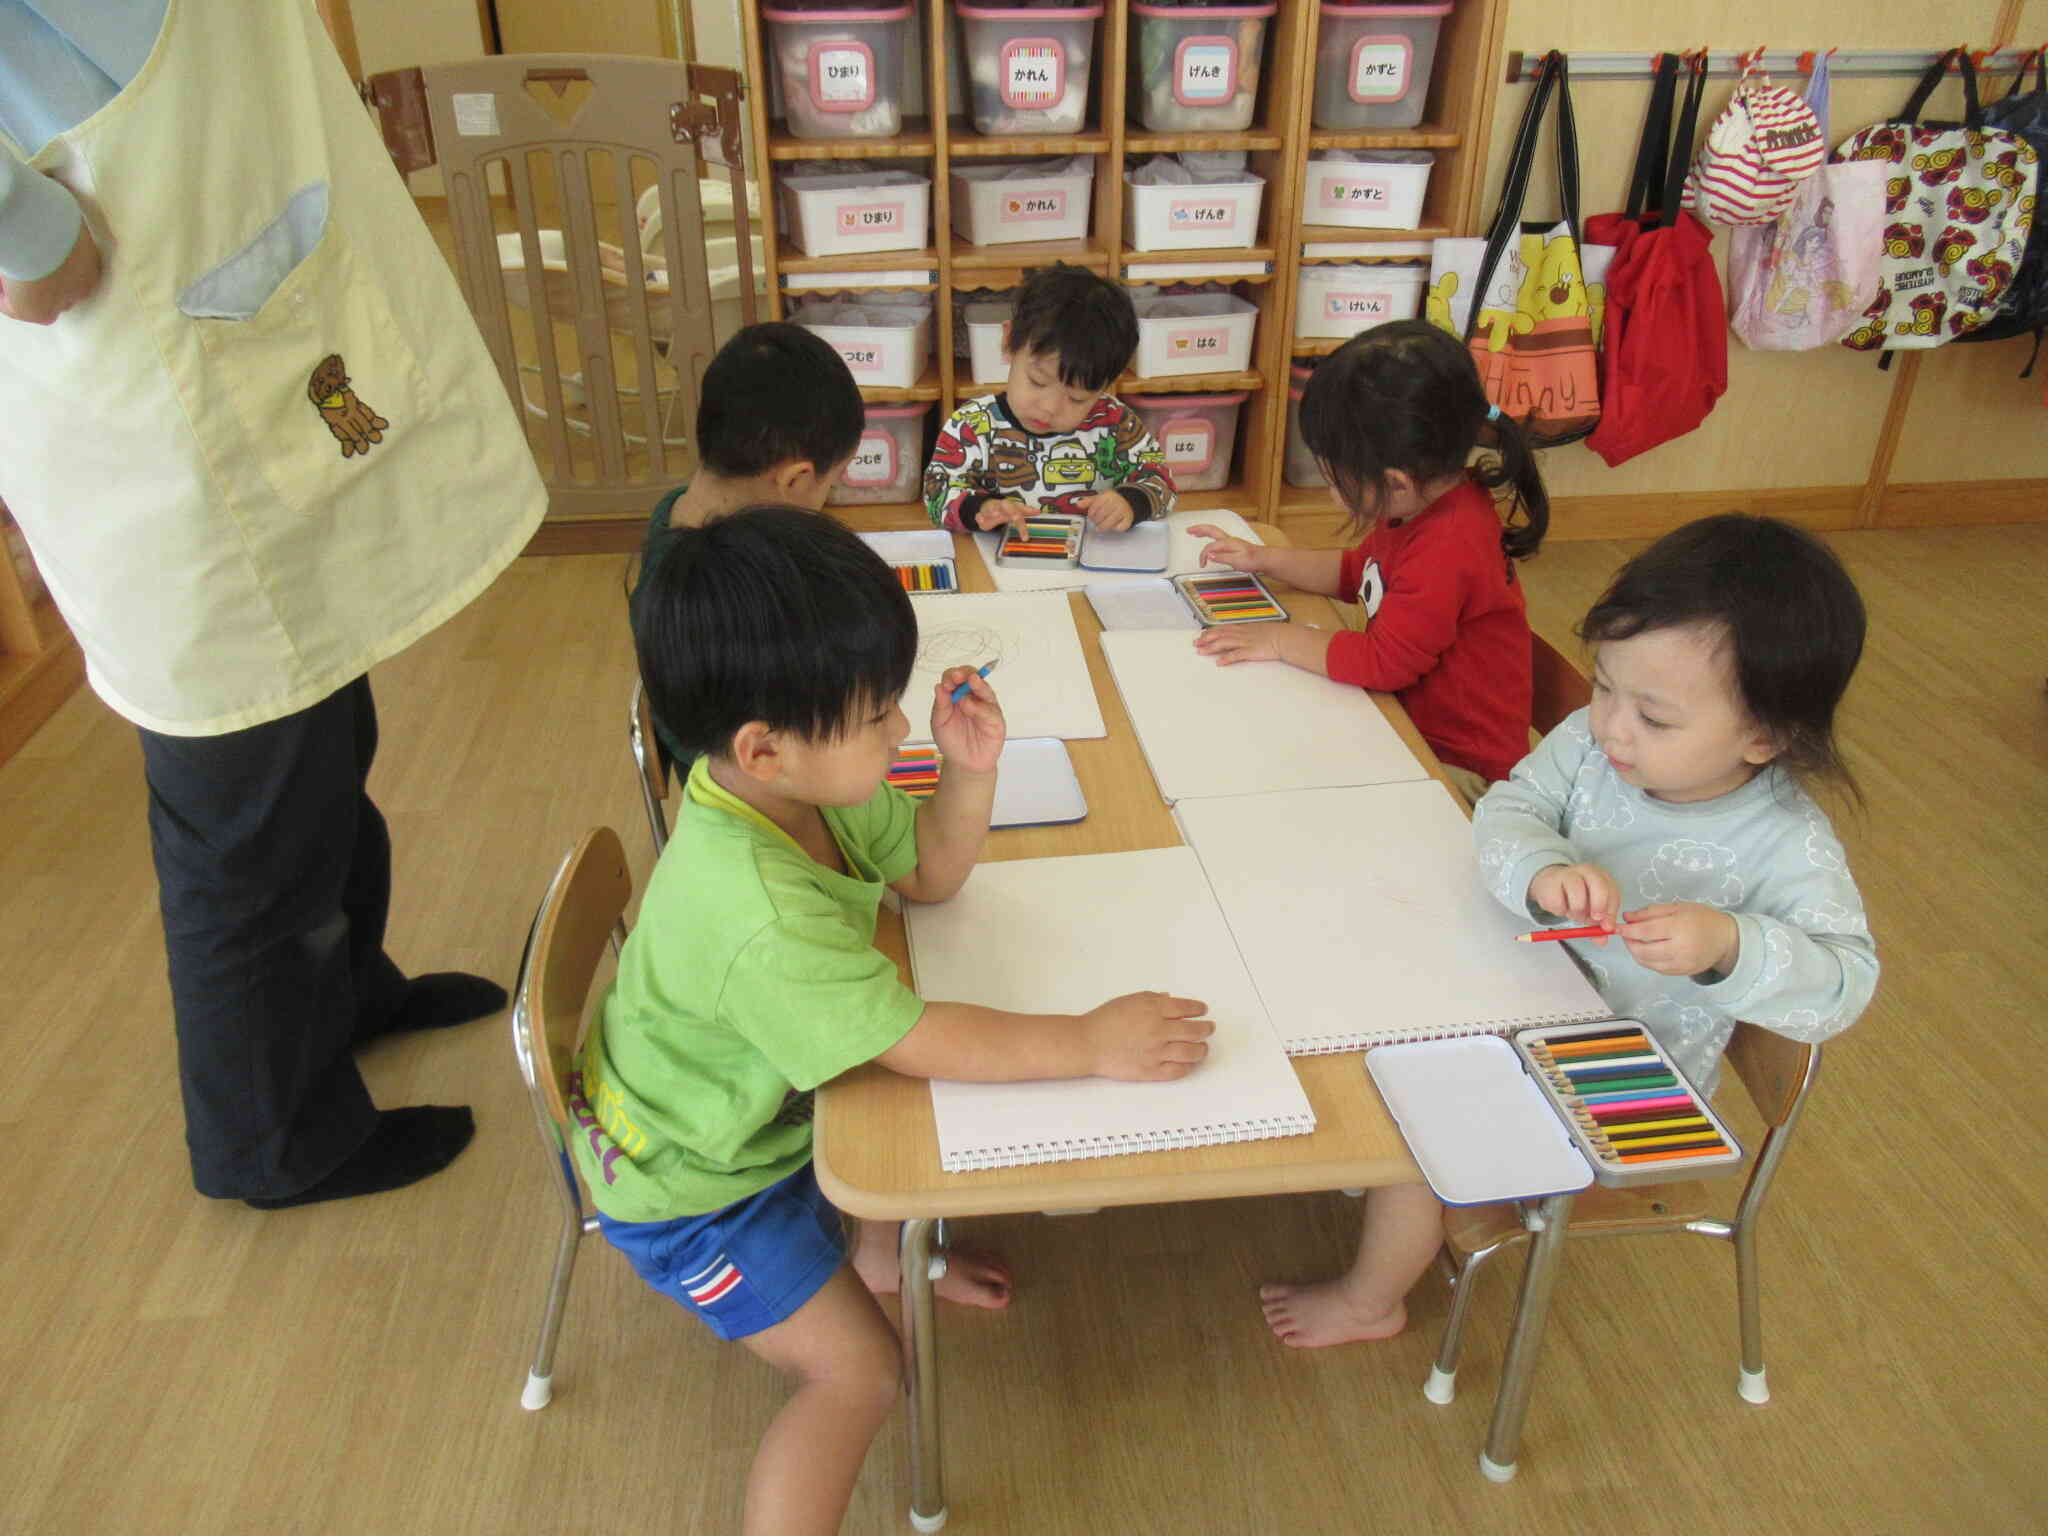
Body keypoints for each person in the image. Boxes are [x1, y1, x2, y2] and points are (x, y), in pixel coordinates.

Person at [0, 0, 548, 1206]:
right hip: (153, 401)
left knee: (323, 739)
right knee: (244, 824)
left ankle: (350, 996)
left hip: (245, 341)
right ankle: (276, 1142)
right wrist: (31, 239)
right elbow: (41, 275)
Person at [587, 506, 1215, 1534]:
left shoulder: (800, 788)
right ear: (765, 747)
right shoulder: (754, 911)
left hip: (758, 1112)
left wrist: (968, 772)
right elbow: (913, 1037)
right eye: (877, 712)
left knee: (890, 1128)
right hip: (690, 1185)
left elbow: (925, 875)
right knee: (863, 1376)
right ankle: (866, 1277)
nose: (899, 727)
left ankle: (880, 1253)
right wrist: (1088, 1043)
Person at [1259, 514, 1879, 1349]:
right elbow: (1512, 805)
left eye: (1653, 717)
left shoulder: (1789, 844)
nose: (1611, 726)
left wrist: (1730, 944)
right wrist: (1543, 866)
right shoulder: (1594, 742)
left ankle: (1374, 1300)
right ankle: (1377, 1169)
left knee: (1422, 1120)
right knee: (1350, 967)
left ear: (1764, 736)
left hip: (1628, 1074)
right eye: (1603, 686)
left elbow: (1844, 985)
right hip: (1524, 991)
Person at [1189, 319, 1548, 802]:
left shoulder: (1448, 546)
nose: (1331, 493)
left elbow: (1383, 664)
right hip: (1404, 723)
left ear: (1395, 481)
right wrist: (1266, 558)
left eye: (1335, 480)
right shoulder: (1426, 499)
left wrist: (1277, 638)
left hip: (1457, 769)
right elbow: (1361, 573)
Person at [633, 320, 866, 772]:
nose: (827, 498)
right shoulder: (712, 592)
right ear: (795, 479)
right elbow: (741, 754)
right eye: (831, 482)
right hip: (755, 795)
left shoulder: (681, 513)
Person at [924, 263, 1176, 534]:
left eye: (1077, 398)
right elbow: (938, 492)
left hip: (1088, 565)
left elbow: (1161, 481)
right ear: (1010, 342)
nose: (1049, 408)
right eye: (1037, 381)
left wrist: (1131, 501)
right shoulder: (972, 425)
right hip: (1004, 565)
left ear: (1106, 384)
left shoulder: (1116, 423)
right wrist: (980, 508)